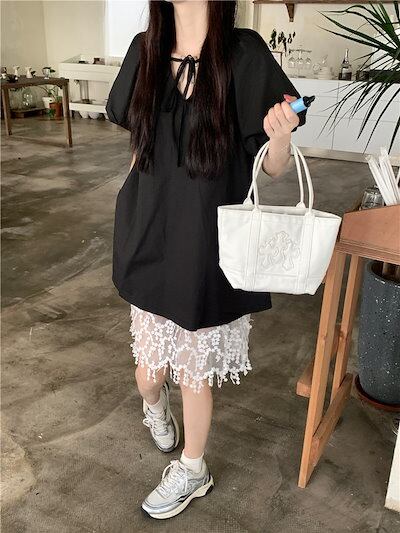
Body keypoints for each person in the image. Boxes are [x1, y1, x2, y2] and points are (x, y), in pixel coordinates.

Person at [106, 0, 307, 520]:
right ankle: (155, 407)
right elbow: (139, 147)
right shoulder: (145, 51)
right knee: (149, 375)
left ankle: (193, 468)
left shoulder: (244, 54)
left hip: (207, 243)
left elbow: (273, 168)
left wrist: (281, 136)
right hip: (150, 232)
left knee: (195, 372)